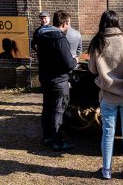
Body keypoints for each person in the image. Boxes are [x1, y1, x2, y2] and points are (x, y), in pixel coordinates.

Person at [88, 10, 123, 180]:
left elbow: (92, 69)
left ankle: (106, 170)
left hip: (107, 96)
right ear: (117, 22)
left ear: (102, 23)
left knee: (107, 133)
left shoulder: (97, 42)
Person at [37, 10, 78, 151]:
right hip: (59, 80)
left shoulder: (41, 34)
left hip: (45, 77)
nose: (68, 27)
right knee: (58, 110)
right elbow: (68, 63)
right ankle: (58, 142)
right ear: (65, 23)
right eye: (69, 24)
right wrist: (76, 60)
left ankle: (47, 137)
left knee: (47, 108)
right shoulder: (59, 38)